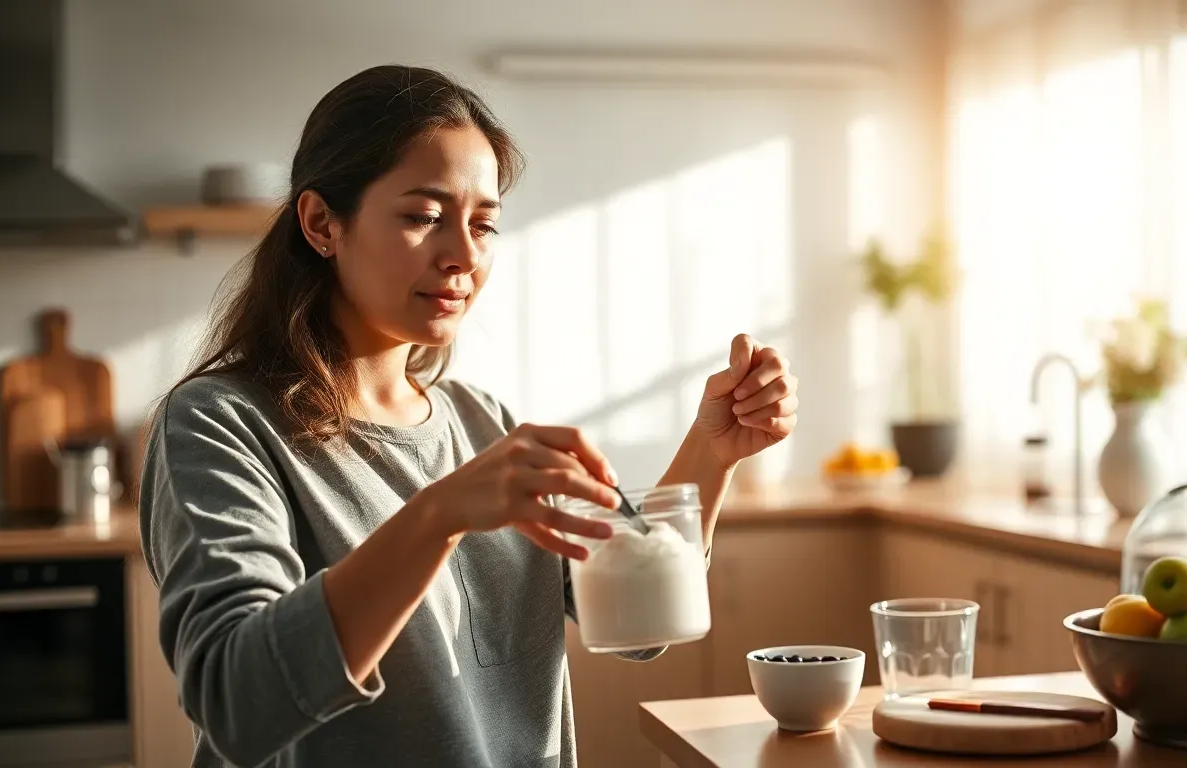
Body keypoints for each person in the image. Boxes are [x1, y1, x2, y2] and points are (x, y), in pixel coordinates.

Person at [139, 64, 799, 768]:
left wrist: (713, 450)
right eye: (424, 217)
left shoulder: (483, 422)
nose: (462, 255)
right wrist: (438, 516)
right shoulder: (219, 423)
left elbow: (638, 623)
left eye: (483, 224)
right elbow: (239, 705)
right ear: (321, 223)